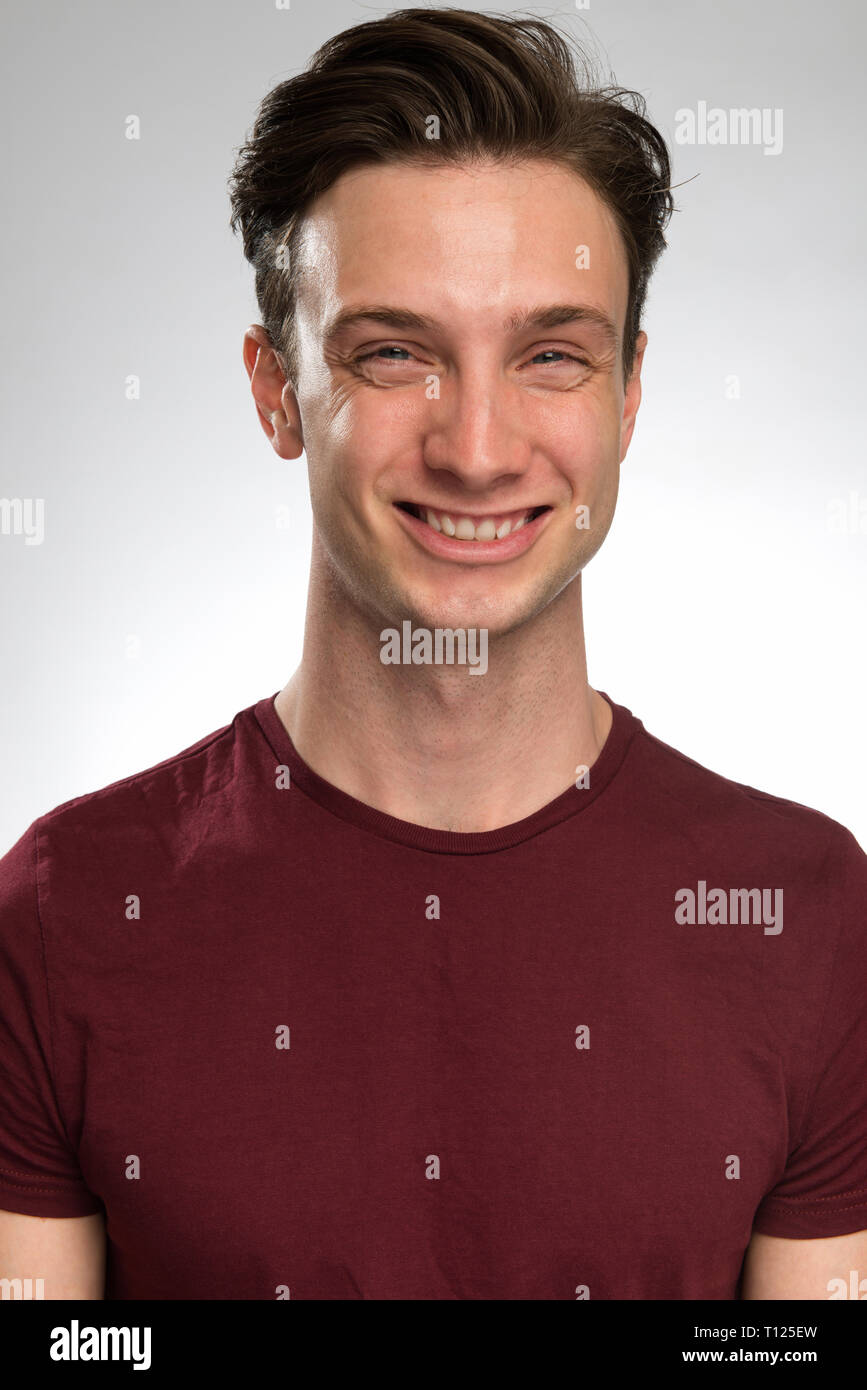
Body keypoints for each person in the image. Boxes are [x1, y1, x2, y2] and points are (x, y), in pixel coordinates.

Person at [1, 7, 864, 1301]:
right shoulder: (63, 912)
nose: (478, 444)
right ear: (275, 389)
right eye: (394, 352)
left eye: (551, 355)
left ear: (629, 395)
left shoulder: (807, 919)